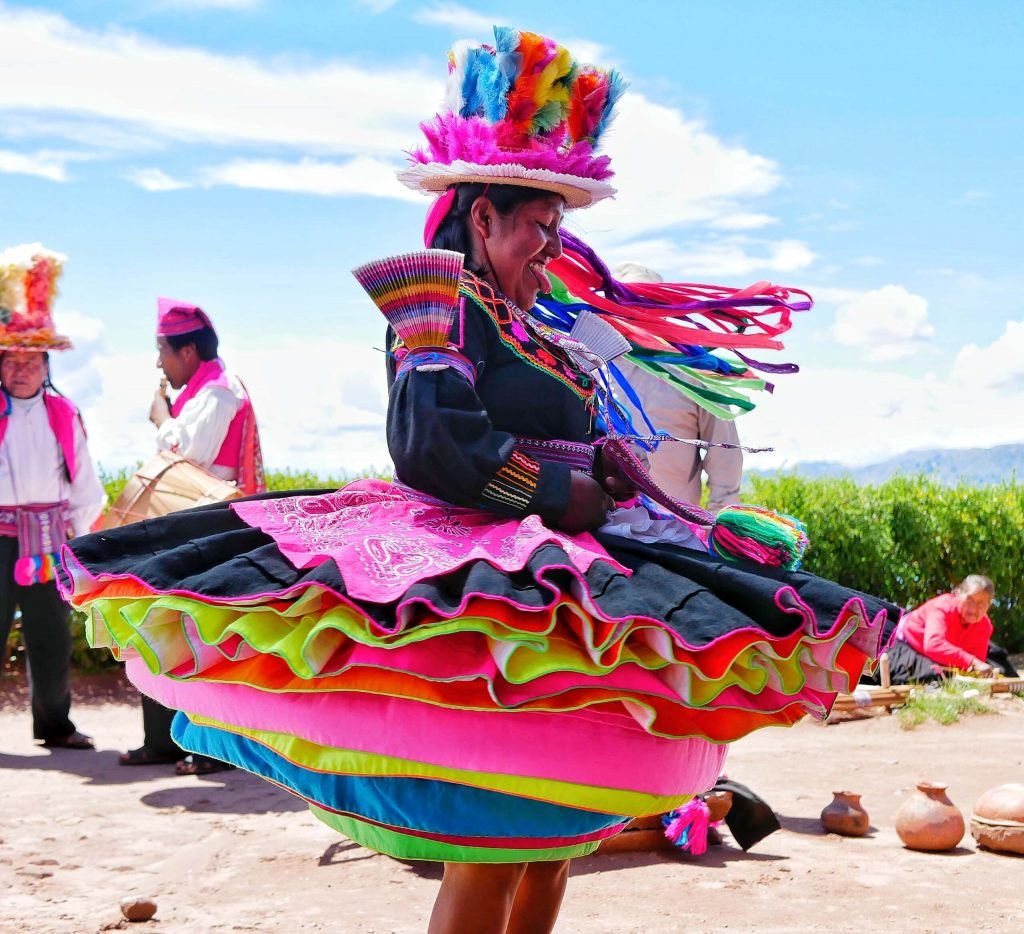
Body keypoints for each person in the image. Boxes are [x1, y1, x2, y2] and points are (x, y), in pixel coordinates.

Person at [57, 28, 897, 934]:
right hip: (481, 569)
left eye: (558, 226)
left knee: (551, 847)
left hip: (567, 552)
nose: (551, 243)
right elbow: (434, 443)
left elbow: (548, 424)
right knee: (488, 843)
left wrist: (604, 467)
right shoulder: (437, 301)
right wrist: (548, 493)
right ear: (483, 216)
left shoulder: (536, 325)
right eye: (537, 224)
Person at [117, 298, 265, 774]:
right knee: (160, 623)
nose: (158, 361)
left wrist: (162, 419)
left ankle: (209, 749)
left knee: (200, 632)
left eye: (161, 349)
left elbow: (189, 451)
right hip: (188, 526)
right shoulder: (203, 393)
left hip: (210, 529)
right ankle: (161, 739)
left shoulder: (219, 391)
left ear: (187, 352)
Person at [0, 243, 105, 750]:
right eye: (11, 359)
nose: (20, 369)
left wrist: (80, 541)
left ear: (46, 364)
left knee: (50, 636)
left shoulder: (64, 415)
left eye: (30, 359)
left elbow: (84, 483)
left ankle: (54, 724)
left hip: (46, 538)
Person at [611, 261, 743, 514]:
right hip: (604, 529)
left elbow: (725, 457)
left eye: (650, 302)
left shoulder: (695, 375)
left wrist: (719, 523)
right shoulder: (592, 368)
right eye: (628, 301)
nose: (639, 311)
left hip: (675, 530)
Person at [884, 575, 1018, 683]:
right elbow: (933, 644)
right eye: (969, 600)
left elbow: (976, 662)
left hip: (936, 656)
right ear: (958, 594)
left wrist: (975, 666)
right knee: (930, 676)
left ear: (989, 606)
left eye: (981, 604)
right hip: (901, 644)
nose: (973, 609)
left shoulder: (984, 626)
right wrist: (972, 662)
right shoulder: (943, 607)